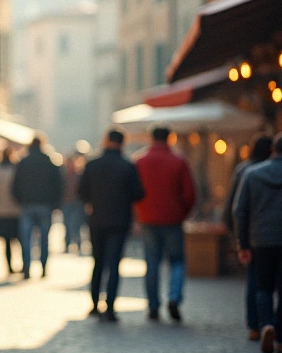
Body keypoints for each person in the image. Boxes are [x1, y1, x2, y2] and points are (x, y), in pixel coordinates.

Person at [233, 132, 282, 353]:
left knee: (263, 287)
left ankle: (265, 324)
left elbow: (239, 211)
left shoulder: (251, 174)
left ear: (273, 151)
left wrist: (243, 243)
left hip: (260, 240)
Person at [77, 129, 144, 321]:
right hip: (119, 221)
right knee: (114, 264)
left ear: (106, 141)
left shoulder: (92, 165)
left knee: (97, 262)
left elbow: (81, 193)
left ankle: (95, 303)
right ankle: (111, 307)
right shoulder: (127, 166)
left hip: (96, 219)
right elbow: (139, 193)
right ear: (122, 144)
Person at [135, 125, 196, 322]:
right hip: (173, 220)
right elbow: (189, 194)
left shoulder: (140, 161)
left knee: (152, 263)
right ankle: (174, 298)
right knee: (177, 261)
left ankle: (153, 305)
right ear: (170, 138)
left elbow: (134, 194)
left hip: (148, 219)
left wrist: (138, 215)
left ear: (151, 138)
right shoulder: (179, 161)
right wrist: (181, 214)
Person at [225, 134, 272, 341]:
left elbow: (235, 207)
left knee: (255, 279)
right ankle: (276, 326)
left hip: (254, 234)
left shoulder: (244, 170)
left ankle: (255, 325)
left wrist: (237, 236)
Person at [12, 136, 63, 278]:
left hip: (27, 205)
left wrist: (20, 200)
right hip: (45, 205)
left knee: (26, 239)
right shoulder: (49, 161)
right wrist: (55, 204)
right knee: (44, 239)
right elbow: (58, 185)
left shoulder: (23, 162)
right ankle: (44, 266)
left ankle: (27, 266)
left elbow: (15, 185)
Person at [62, 151, 87, 254]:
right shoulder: (64, 175)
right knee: (67, 224)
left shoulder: (80, 175)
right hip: (67, 203)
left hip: (78, 203)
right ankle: (68, 244)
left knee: (77, 225)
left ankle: (78, 244)